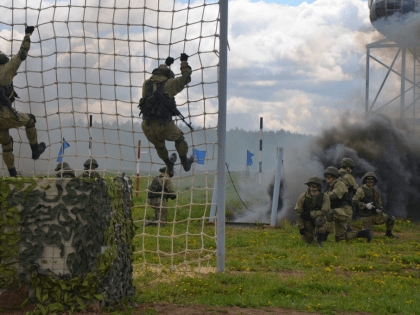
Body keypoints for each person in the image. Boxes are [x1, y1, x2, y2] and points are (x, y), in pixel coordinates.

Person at [0, 26, 46, 177]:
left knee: (6, 145)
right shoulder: (7, 68)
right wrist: (27, 35)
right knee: (30, 120)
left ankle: (13, 174)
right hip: (4, 115)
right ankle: (35, 151)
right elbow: (22, 54)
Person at [139, 53, 194, 174]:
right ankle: (185, 163)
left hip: (146, 126)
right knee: (179, 139)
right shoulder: (170, 84)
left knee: (159, 146)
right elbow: (186, 77)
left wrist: (166, 65)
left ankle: (169, 165)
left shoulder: (146, 84)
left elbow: (159, 74)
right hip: (163, 125)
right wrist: (184, 62)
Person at [324, 166, 371, 243]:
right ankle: (363, 233)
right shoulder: (333, 185)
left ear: (334, 176)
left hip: (345, 210)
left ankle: (322, 237)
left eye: (329, 176)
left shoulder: (339, 183)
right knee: (339, 237)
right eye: (326, 176)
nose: (327, 178)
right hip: (341, 210)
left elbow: (334, 196)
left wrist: (324, 195)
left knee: (330, 214)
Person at [353, 172, 399, 238]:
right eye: (368, 180)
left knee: (391, 218)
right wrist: (365, 205)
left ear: (374, 181)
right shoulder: (361, 190)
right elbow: (354, 201)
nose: (370, 181)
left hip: (375, 215)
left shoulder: (374, 191)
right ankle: (354, 234)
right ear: (365, 181)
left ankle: (388, 234)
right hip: (366, 217)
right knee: (368, 236)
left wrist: (378, 208)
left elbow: (379, 203)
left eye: (372, 180)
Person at [294, 176, 330, 247]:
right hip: (307, 221)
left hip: (319, 218)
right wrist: (301, 227)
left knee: (318, 220)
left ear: (319, 187)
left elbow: (324, 211)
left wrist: (311, 214)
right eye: (310, 186)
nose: (312, 188)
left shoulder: (324, 197)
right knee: (307, 241)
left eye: (314, 186)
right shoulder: (303, 196)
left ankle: (320, 241)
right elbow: (299, 213)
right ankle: (312, 234)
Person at [338, 157, 360, 228]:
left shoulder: (335, 175)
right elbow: (356, 188)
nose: (351, 169)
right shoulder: (348, 176)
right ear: (347, 167)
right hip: (346, 201)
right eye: (350, 167)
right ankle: (354, 221)